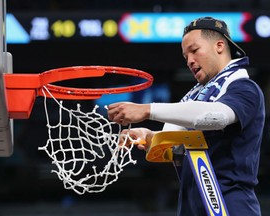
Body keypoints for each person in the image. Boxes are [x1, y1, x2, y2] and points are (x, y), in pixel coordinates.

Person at [107, 17, 265, 216]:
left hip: (229, 205)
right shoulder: (198, 93)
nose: (189, 60)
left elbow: (216, 117)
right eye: (185, 56)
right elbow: (183, 142)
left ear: (219, 46)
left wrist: (148, 109)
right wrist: (149, 136)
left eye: (194, 50)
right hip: (193, 205)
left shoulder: (244, 88)